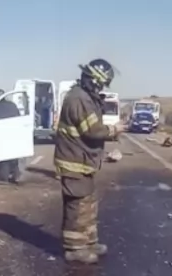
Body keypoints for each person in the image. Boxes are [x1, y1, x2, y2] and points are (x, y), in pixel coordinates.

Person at [54, 58, 124, 264]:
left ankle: (89, 242)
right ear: (95, 80)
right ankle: (75, 248)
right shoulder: (79, 99)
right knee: (77, 205)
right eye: (102, 83)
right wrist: (114, 130)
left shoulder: (83, 97)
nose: (102, 88)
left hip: (83, 161)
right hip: (74, 162)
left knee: (88, 204)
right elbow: (92, 131)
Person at [0, 89, 23, 183]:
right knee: (14, 156)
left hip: (2, 135)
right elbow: (18, 116)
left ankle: (3, 177)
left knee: (4, 157)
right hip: (14, 133)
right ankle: (16, 175)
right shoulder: (12, 105)